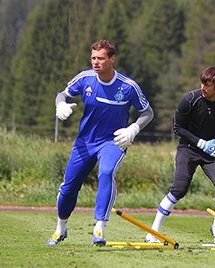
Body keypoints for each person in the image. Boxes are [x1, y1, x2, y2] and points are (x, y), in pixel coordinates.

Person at [46, 40, 154, 246]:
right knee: (68, 188)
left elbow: (147, 112)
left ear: (112, 59)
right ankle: (60, 229)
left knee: (106, 173)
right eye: (93, 58)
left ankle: (99, 227)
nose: (96, 62)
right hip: (84, 143)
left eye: (101, 58)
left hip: (113, 142)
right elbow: (62, 94)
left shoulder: (129, 86)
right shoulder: (85, 78)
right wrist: (60, 104)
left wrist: (134, 128)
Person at [145, 66, 215, 245]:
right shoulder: (190, 99)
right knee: (179, 189)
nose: (203, 87)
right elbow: (177, 128)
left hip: (214, 152)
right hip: (188, 148)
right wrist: (202, 143)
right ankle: (153, 231)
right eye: (202, 83)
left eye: (208, 85)